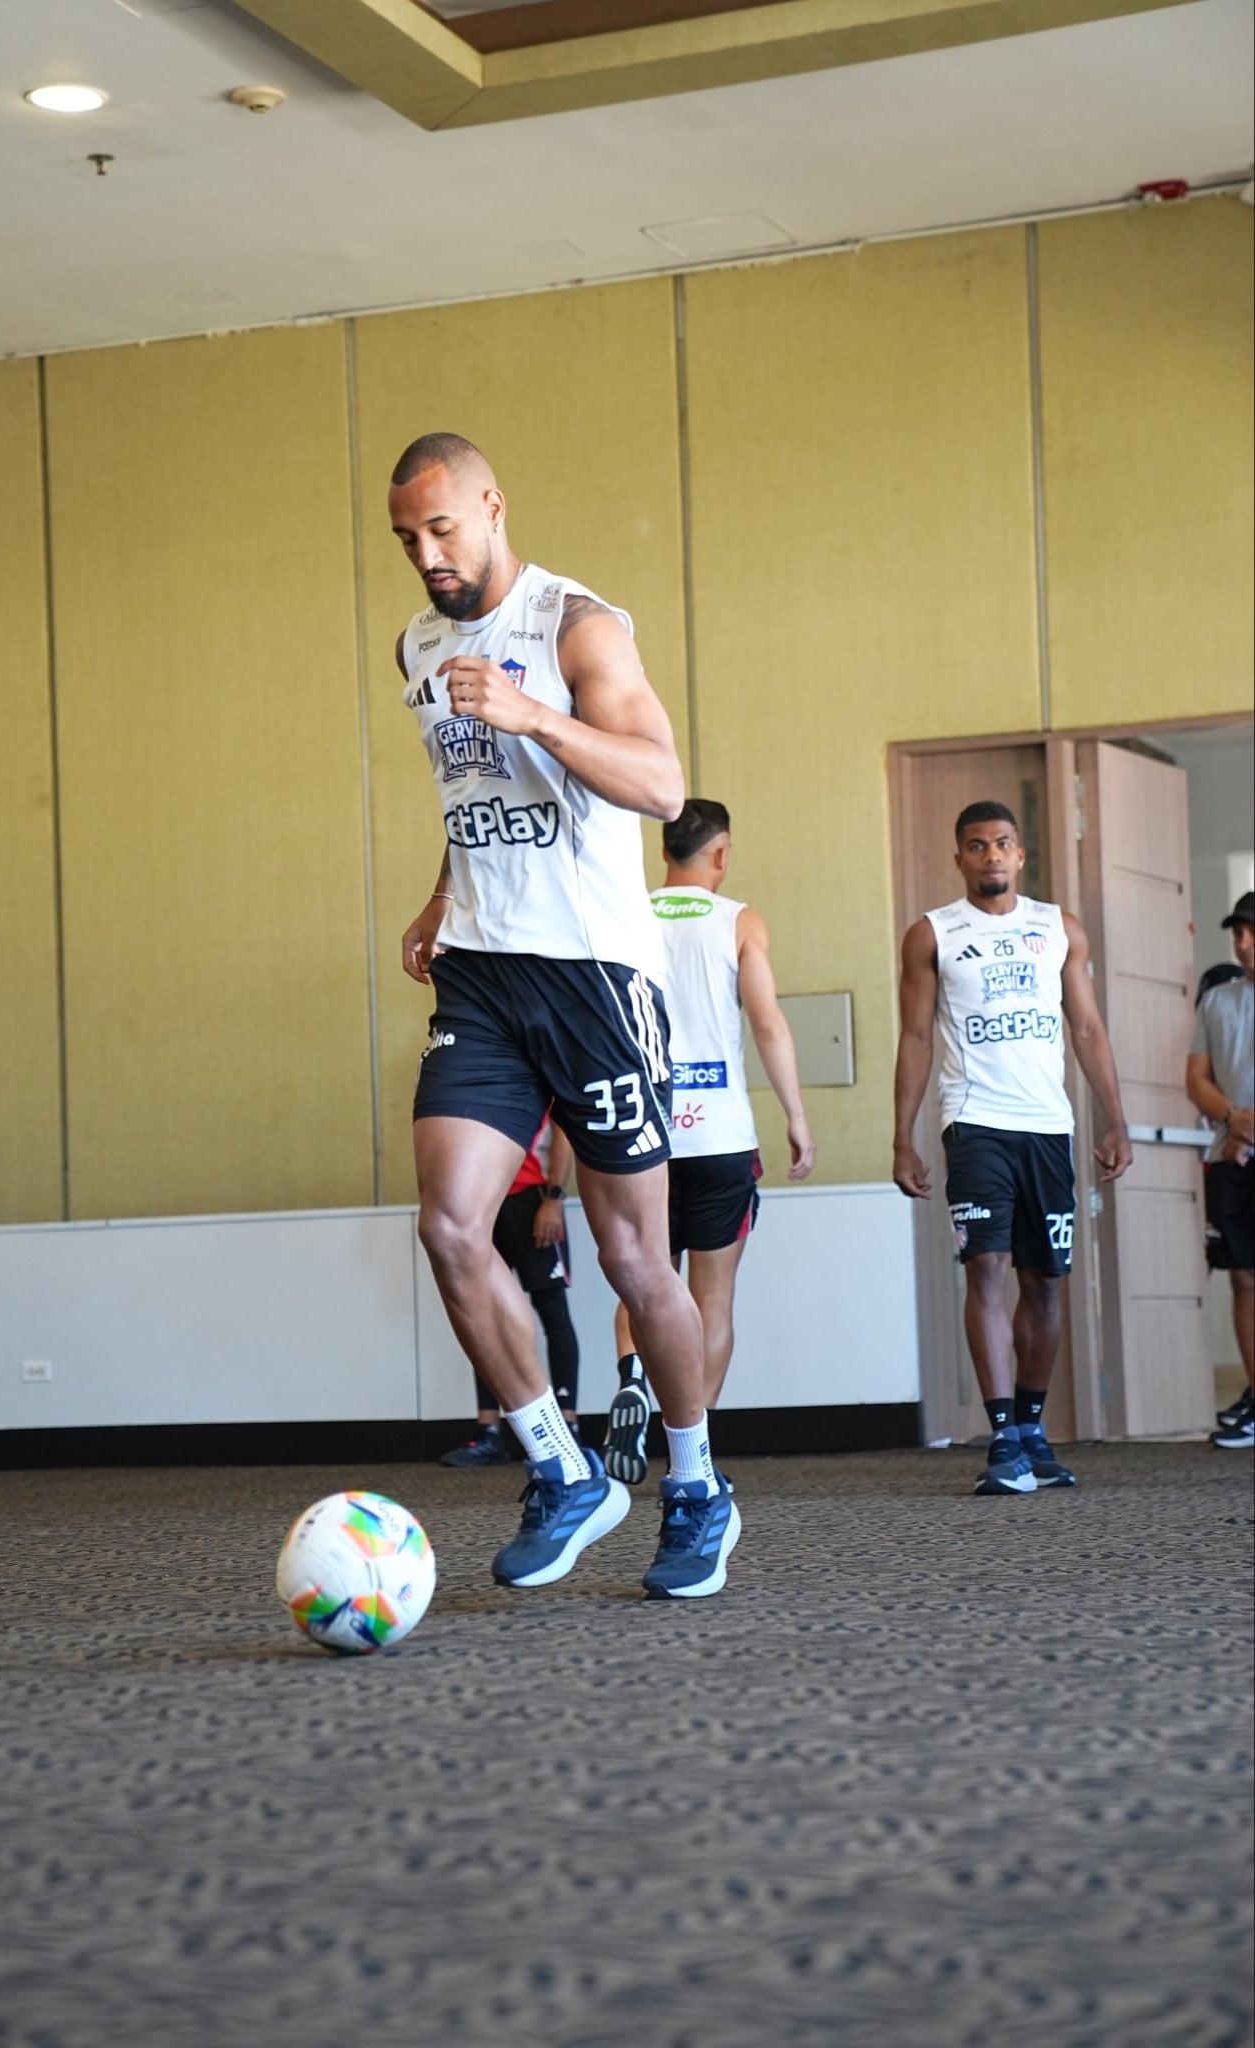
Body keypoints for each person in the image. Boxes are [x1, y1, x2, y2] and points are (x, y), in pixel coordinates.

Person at [390, 431, 738, 1599]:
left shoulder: (578, 624)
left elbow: (660, 783)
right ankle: (561, 1467)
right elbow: (469, 789)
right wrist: (443, 897)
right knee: (449, 1228)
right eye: (406, 539)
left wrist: (537, 714)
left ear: (492, 505)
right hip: (483, 973)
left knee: (636, 1255)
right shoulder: (420, 643)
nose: (426, 555)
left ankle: (694, 1488)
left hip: (593, 975)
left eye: (441, 527)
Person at [892, 800, 1132, 1495]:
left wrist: (1114, 1118)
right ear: (959, 857)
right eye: (977, 846)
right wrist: (903, 1136)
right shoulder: (932, 934)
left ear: (1020, 855)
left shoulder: (1058, 928)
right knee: (987, 1267)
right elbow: (914, 1037)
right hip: (974, 1120)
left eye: (1003, 844)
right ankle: (1002, 1437)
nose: (991, 856)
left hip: (1048, 1127)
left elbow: (1086, 1030)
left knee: (1045, 1280)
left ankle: (1031, 1427)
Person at [604, 798, 817, 1484]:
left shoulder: (623, 912)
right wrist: (796, 1117)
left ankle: (635, 1378)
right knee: (711, 1300)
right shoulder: (739, 922)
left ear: (665, 848)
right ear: (720, 853)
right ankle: (690, 1448)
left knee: (645, 1281)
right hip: (720, 1134)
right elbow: (768, 1025)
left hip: (642, 1135)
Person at [440, 1116, 580, 1466]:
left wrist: (554, 1197)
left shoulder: (540, 1066)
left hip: (533, 1199)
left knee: (553, 1312)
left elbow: (563, 1130)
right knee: (483, 1316)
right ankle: (489, 1430)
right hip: (483, 1202)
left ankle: (567, 1424)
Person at [1186, 891, 1254, 1449]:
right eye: (1237, 933)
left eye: (1251, 931)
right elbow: (1198, 1081)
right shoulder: (1217, 1003)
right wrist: (1233, 1121)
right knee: (1243, 1276)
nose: (1243, 942)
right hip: (1232, 1158)